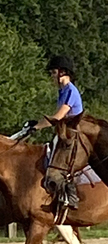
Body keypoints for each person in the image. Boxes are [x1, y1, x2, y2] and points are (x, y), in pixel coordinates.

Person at [26, 55, 83, 209]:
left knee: (59, 160)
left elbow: (58, 117)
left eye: (53, 73)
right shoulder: (62, 91)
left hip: (72, 134)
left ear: (62, 72)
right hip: (63, 132)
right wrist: (36, 123)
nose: (52, 76)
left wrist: (37, 127)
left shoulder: (71, 90)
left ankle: (70, 196)